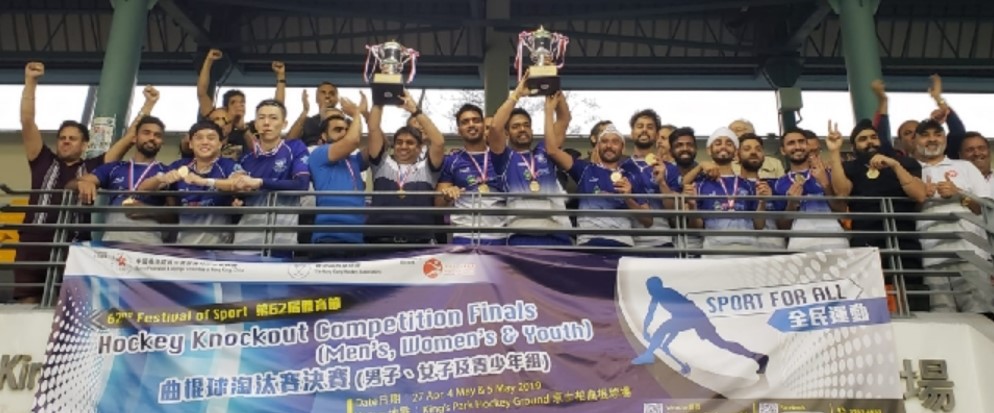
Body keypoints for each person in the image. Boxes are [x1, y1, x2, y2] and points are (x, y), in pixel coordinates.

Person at [14, 62, 137, 303]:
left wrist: (148, 104)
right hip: (34, 242)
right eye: (62, 138)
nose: (66, 142)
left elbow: (129, 139)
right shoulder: (42, 159)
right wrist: (31, 81)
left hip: (75, 246)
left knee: (70, 308)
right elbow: (27, 121)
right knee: (27, 305)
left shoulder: (95, 166)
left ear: (85, 145)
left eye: (72, 138)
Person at [826, 119, 928, 311]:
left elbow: (920, 194)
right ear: (854, 146)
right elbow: (841, 193)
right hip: (866, 244)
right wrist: (834, 151)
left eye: (873, 137)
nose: (869, 142)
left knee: (913, 303)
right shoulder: (851, 167)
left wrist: (895, 165)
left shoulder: (906, 163)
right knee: (872, 304)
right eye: (862, 139)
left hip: (904, 241)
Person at [913, 119, 993, 314]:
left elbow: (986, 209)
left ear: (945, 139)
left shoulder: (965, 167)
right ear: (915, 141)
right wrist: (921, 196)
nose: (932, 139)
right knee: (943, 321)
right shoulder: (909, 170)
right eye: (925, 135)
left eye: (937, 134)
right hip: (930, 259)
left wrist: (960, 194)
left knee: (981, 316)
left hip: (970, 254)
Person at [490, 77, 573, 246]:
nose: (522, 129)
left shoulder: (546, 150)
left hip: (556, 233)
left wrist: (553, 83)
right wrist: (517, 94)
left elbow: (564, 119)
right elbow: (495, 127)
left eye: (526, 125)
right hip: (521, 234)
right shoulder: (504, 158)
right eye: (515, 126)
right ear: (507, 133)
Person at [631, 276, 768, 375]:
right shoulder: (659, 296)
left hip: (695, 317)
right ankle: (757, 357)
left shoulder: (666, 293)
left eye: (650, 288)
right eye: (648, 289)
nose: (649, 291)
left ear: (657, 287)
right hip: (691, 318)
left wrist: (661, 337)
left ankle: (649, 355)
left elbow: (674, 317)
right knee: (720, 343)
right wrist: (663, 339)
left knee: (663, 329)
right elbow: (667, 318)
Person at [66, 116, 170, 245]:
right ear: (134, 138)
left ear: (162, 142)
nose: (152, 138)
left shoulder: (167, 172)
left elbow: (174, 217)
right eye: (146, 133)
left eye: (157, 135)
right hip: (112, 244)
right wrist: (82, 183)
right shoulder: (115, 168)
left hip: (149, 247)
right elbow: (69, 185)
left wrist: (149, 210)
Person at [137, 121, 246, 245]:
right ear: (190, 144)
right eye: (199, 138)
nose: (205, 142)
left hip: (218, 248)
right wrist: (162, 178)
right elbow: (142, 188)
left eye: (211, 138)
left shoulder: (227, 165)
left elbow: (241, 182)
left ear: (220, 144)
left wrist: (205, 182)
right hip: (184, 246)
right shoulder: (180, 165)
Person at [546, 122, 651, 247]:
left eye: (615, 142)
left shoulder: (632, 176)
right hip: (589, 242)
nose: (609, 146)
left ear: (622, 148)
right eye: (604, 141)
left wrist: (628, 199)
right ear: (598, 146)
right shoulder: (584, 169)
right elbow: (552, 150)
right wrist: (549, 111)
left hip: (623, 243)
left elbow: (648, 220)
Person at [232, 99, 310, 257]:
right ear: (255, 124)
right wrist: (237, 200)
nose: (267, 123)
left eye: (273, 118)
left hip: (281, 240)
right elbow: (239, 196)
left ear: (284, 124)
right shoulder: (246, 158)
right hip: (245, 240)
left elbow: (302, 184)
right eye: (261, 118)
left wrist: (260, 183)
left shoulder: (295, 147)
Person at [366, 91, 446, 244]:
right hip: (379, 242)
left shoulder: (427, 168)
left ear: (419, 147)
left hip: (419, 242)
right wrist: (379, 98)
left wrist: (415, 111)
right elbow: (373, 128)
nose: (403, 146)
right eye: (399, 142)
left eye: (410, 143)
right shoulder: (382, 164)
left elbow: (439, 142)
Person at [683, 128, 770, 255]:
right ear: (709, 150)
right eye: (718, 143)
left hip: (749, 250)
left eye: (729, 144)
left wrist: (762, 203)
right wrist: (692, 207)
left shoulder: (748, 184)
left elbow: (759, 226)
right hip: (714, 251)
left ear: (736, 152)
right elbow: (697, 226)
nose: (723, 147)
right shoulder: (700, 184)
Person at [436, 104, 510, 245]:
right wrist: (447, 194)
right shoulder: (452, 160)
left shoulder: (501, 157)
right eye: (465, 122)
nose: (471, 124)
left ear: (484, 125)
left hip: (499, 237)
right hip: (464, 236)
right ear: (459, 130)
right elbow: (438, 203)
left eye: (476, 120)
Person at [308, 94, 369, 255]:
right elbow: (352, 141)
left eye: (346, 130)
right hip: (328, 239)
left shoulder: (353, 160)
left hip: (357, 241)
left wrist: (367, 115)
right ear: (323, 136)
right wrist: (356, 113)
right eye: (337, 130)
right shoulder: (318, 154)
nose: (344, 133)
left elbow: (379, 145)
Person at [772, 129, 847, 252]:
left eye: (801, 142)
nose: (797, 146)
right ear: (783, 150)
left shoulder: (828, 173)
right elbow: (782, 228)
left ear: (807, 146)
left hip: (834, 240)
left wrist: (826, 185)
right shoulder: (779, 184)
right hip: (800, 243)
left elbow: (842, 211)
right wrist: (791, 204)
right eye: (791, 143)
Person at [622, 109, 681, 252]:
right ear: (632, 133)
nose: (644, 130)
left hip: (662, 242)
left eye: (650, 127)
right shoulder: (621, 168)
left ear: (657, 135)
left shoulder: (670, 168)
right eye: (639, 126)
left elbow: (673, 211)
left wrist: (662, 183)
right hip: (629, 242)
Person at [738, 133, 785, 251]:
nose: (754, 152)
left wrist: (773, 199)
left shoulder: (775, 185)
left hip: (775, 249)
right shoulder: (731, 185)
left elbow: (784, 223)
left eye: (758, 149)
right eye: (747, 149)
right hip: (743, 248)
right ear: (736, 155)